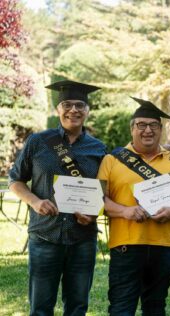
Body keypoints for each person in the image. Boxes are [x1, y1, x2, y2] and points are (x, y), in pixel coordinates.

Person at [9, 80, 105, 315]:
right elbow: (15, 180)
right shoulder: (38, 141)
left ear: (87, 111)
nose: (74, 110)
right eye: (67, 104)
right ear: (58, 110)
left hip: (82, 238)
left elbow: (106, 191)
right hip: (44, 235)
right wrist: (35, 201)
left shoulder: (99, 149)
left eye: (80, 105)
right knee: (40, 308)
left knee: (77, 307)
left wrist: (94, 213)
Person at [97, 97, 170, 315]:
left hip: (165, 246)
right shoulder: (112, 160)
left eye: (153, 125)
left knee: (156, 307)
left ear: (161, 129)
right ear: (132, 129)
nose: (147, 130)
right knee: (122, 307)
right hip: (127, 245)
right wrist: (125, 211)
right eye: (141, 125)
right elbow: (98, 199)